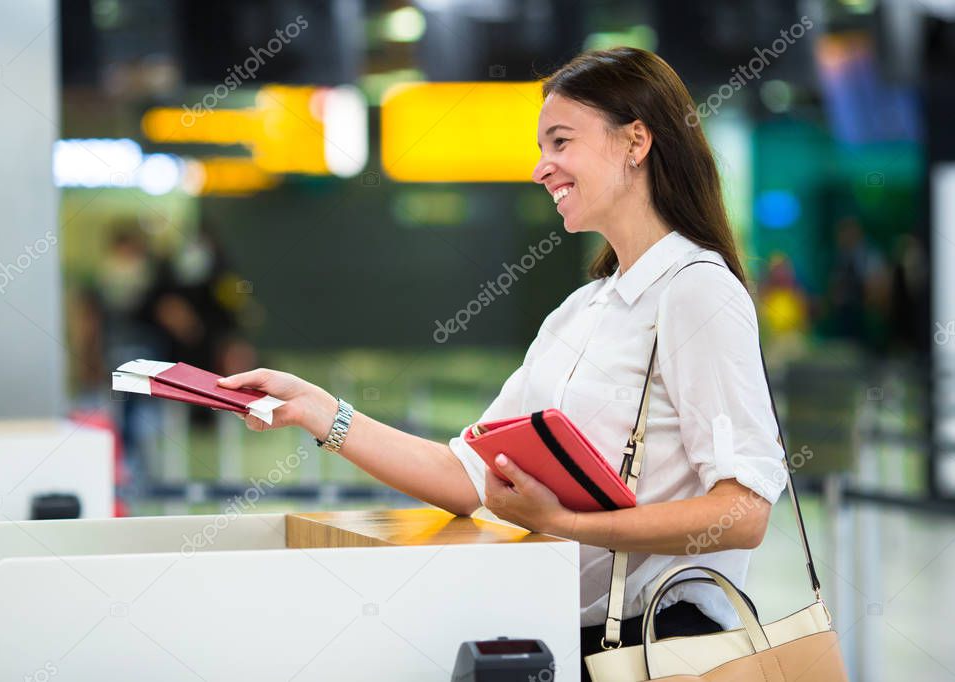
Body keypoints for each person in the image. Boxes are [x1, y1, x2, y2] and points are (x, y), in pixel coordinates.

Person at [218, 47, 786, 680]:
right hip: (571, 640)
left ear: (636, 141)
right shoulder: (581, 310)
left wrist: (564, 522)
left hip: (661, 649)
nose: (542, 168)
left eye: (560, 142)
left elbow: (743, 512)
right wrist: (322, 412)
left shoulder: (696, 289)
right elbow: (465, 474)